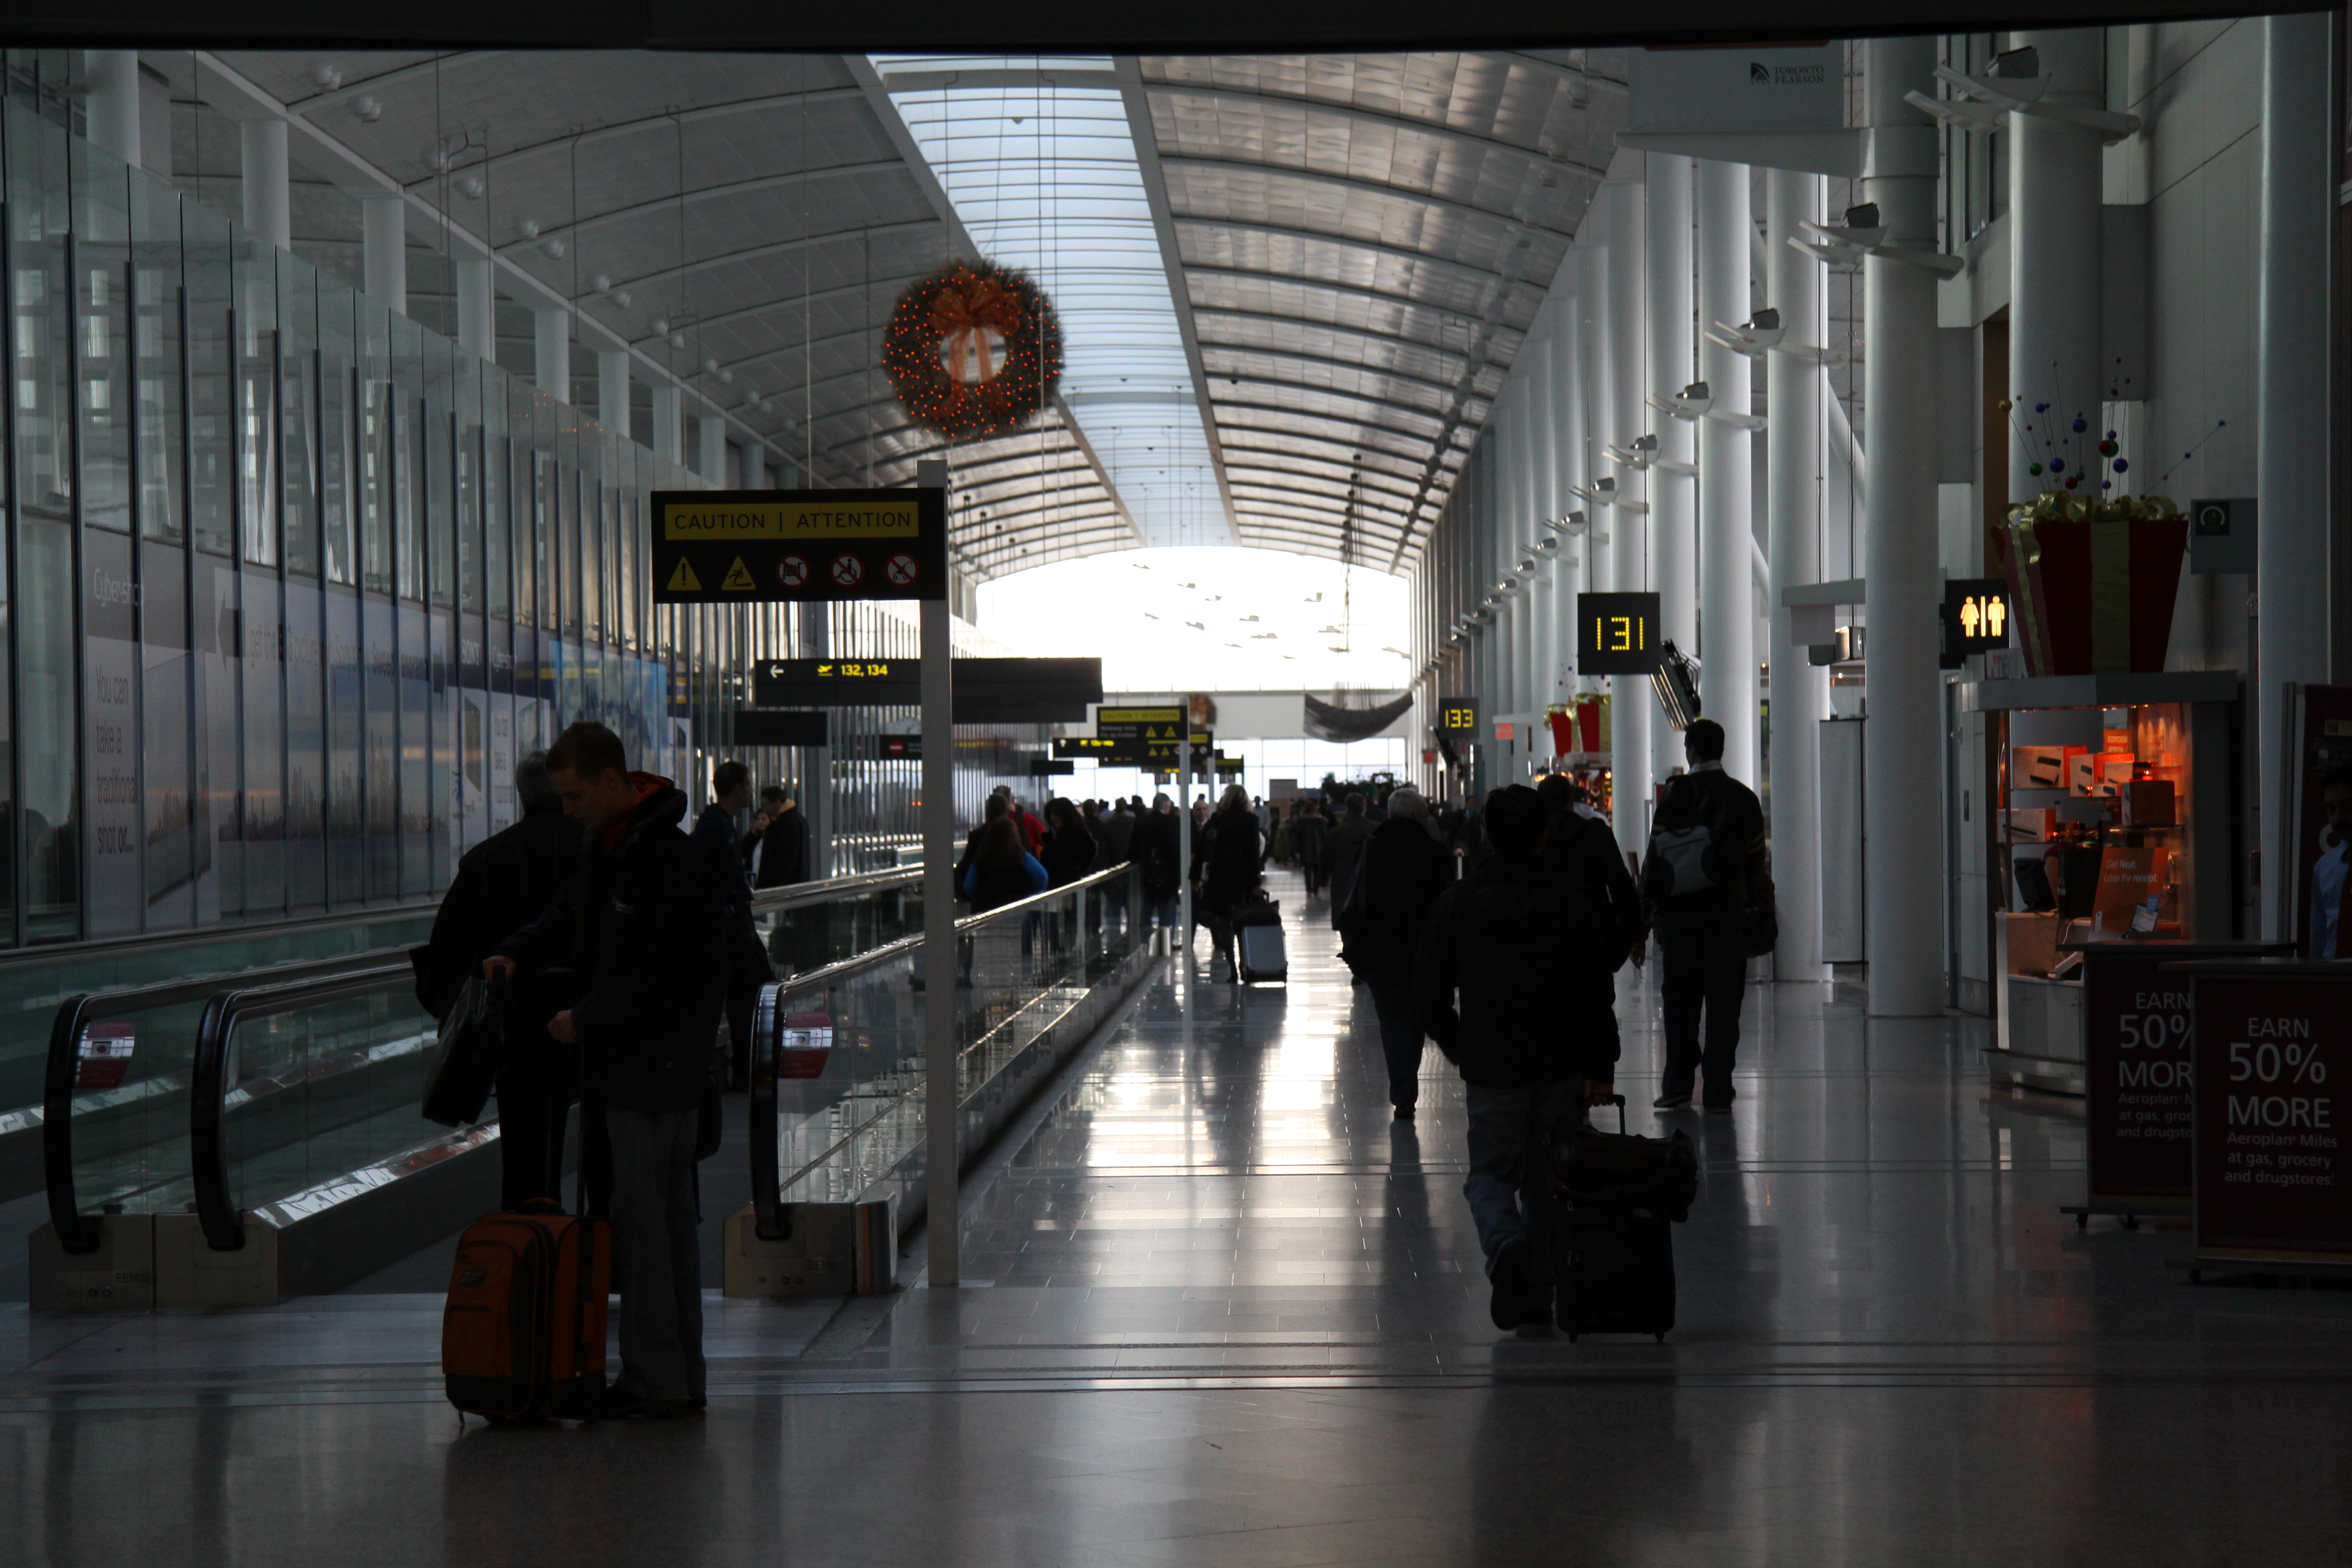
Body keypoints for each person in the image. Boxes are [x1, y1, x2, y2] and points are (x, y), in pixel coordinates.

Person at [488, 722, 723, 1419]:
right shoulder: (613, 845)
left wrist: (585, 1017)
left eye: (576, 796)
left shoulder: (665, 859)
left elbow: (666, 972)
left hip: (655, 1072)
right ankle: (678, 1375)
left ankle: (656, 1381)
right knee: (664, 1222)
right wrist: (517, 948)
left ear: (614, 781)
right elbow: (571, 912)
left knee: (645, 1225)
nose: (567, 810)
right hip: (646, 1068)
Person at [1413, 784, 1618, 1330]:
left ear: (1486, 835)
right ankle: (1537, 1292)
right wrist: (1601, 1068)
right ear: (1544, 836)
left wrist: (1458, 1044)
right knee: (1549, 1180)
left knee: (1489, 1175)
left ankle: (1505, 1244)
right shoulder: (1570, 905)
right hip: (1560, 1064)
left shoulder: (1459, 903)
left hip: (1492, 1065)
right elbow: (1595, 995)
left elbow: (1427, 988)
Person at [419, 749, 587, 1210]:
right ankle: (602, 1240)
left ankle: (530, 1237)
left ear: (521, 794)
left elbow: (446, 951)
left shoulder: (487, 859)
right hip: (595, 1016)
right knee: (610, 1146)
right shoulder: (598, 850)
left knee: (527, 1156)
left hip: (517, 1026)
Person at [1641, 718, 1766, 1113]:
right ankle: (1718, 1089)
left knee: (1680, 1002)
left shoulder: (1677, 793)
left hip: (1680, 919)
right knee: (1724, 1005)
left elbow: (1656, 855)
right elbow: (1755, 861)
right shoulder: (1743, 797)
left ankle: (1679, 1083)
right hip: (1727, 919)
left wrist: (1646, 915)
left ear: (1691, 750)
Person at [1349, 787, 1457, 1117]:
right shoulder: (1436, 852)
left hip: (1379, 953)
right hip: (1423, 953)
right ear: (1418, 815)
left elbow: (1357, 898)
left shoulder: (1371, 848)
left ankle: (1404, 1092)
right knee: (1416, 1019)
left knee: (1393, 1020)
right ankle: (1406, 1083)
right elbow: (1446, 907)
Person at [1535, 773, 1647, 1074]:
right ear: (1571, 802)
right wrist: (1634, 938)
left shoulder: (1532, 840)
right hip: (1591, 939)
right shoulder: (1595, 834)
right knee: (1594, 1014)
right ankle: (1593, 1086)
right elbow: (1622, 889)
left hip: (1542, 940)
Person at [693, 759, 775, 1090]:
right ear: (738, 787)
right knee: (746, 995)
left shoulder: (722, 823)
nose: (751, 791)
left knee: (751, 992)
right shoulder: (715, 823)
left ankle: (746, 1066)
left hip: (734, 923)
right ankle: (745, 1068)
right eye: (748, 785)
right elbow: (696, 863)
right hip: (732, 925)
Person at [1196, 784, 1264, 973]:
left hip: (1219, 877)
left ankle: (1232, 965)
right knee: (1243, 920)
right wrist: (1256, 882)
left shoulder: (1217, 820)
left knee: (1225, 922)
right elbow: (1253, 854)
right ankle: (1244, 962)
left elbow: (1203, 850)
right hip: (1242, 878)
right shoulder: (1251, 820)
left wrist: (1195, 876)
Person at [2308, 766, 2352, 958]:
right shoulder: (2325, 867)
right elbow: (2319, 934)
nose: (2338, 817)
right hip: (2333, 970)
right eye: (2331, 808)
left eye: (2347, 806)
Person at [962, 816, 1048, 913]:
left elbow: (968, 889)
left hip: (987, 912)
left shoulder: (981, 859)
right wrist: (1032, 895)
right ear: (1015, 836)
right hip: (1019, 911)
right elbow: (1042, 876)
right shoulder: (1023, 857)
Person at [1134, 793, 1185, 947]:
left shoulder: (1142, 821)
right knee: (1167, 910)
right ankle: (1166, 945)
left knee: (1146, 910)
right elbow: (1176, 849)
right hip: (1167, 874)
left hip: (1146, 873)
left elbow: (1134, 847)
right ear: (1167, 807)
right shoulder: (1173, 822)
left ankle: (1145, 944)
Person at [1325, 792, 1374, 931]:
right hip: (1370, 884)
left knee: (1345, 923)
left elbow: (1327, 857)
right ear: (1364, 809)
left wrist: (1323, 879)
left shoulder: (1336, 832)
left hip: (1343, 882)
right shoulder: (1376, 829)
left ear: (1347, 809)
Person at [743, 785, 807, 889]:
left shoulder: (784, 824)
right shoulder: (798, 820)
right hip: (794, 885)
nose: (765, 809)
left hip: (780, 888)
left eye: (767, 805)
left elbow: (785, 861)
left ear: (777, 803)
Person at [1292, 800, 1330, 898]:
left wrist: (1296, 850)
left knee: (1307, 870)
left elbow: (1296, 835)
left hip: (1305, 849)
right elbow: (1325, 836)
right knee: (1317, 870)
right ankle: (1316, 891)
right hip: (1319, 849)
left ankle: (1309, 890)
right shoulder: (1321, 821)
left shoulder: (1301, 821)